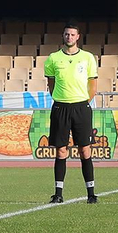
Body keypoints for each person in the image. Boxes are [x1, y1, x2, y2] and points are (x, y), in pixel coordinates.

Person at [44, 22, 100, 204]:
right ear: (63, 36)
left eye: (72, 34)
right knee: (61, 151)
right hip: (61, 108)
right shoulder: (53, 58)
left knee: (85, 149)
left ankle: (91, 194)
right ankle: (58, 193)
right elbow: (51, 84)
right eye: (66, 34)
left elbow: (93, 84)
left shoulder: (87, 58)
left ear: (78, 37)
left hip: (81, 108)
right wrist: (60, 99)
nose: (69, 37)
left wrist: (83, 101)